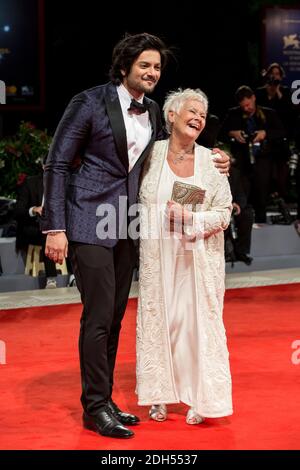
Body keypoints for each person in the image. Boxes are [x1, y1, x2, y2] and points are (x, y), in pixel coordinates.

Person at [41, 33, 231, 439]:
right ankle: (94, 408)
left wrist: (218, 161)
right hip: (88, 219)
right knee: (97, 316)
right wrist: (54, 227)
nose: (152, 72)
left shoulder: (156, 111)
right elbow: (56, 163)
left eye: (157, 67)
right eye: (145, 65)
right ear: (124, 65)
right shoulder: (89, 101)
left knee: (113, 318)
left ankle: (105, 398)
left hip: (127, 225)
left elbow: (174, 162)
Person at [136, 88, 233, 424]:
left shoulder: (212, 161)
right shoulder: (149, 155)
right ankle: (159, 394)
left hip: (199, 261)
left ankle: (199, 397)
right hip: (158, 259)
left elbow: (223, 213)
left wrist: (191, 219)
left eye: (203, 115)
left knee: (195, 326)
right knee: (161, 322)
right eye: (192, 111)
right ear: (171, 116)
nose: (199, 119)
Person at [15, 169, 58, 289]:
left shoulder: (63, 182)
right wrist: (34, 209)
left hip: (57, 226)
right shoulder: (30, 183)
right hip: (32, 227)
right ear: (44, 166)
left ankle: (75, 277)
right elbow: (18, 210)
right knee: (48, 234)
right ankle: (51, 279)